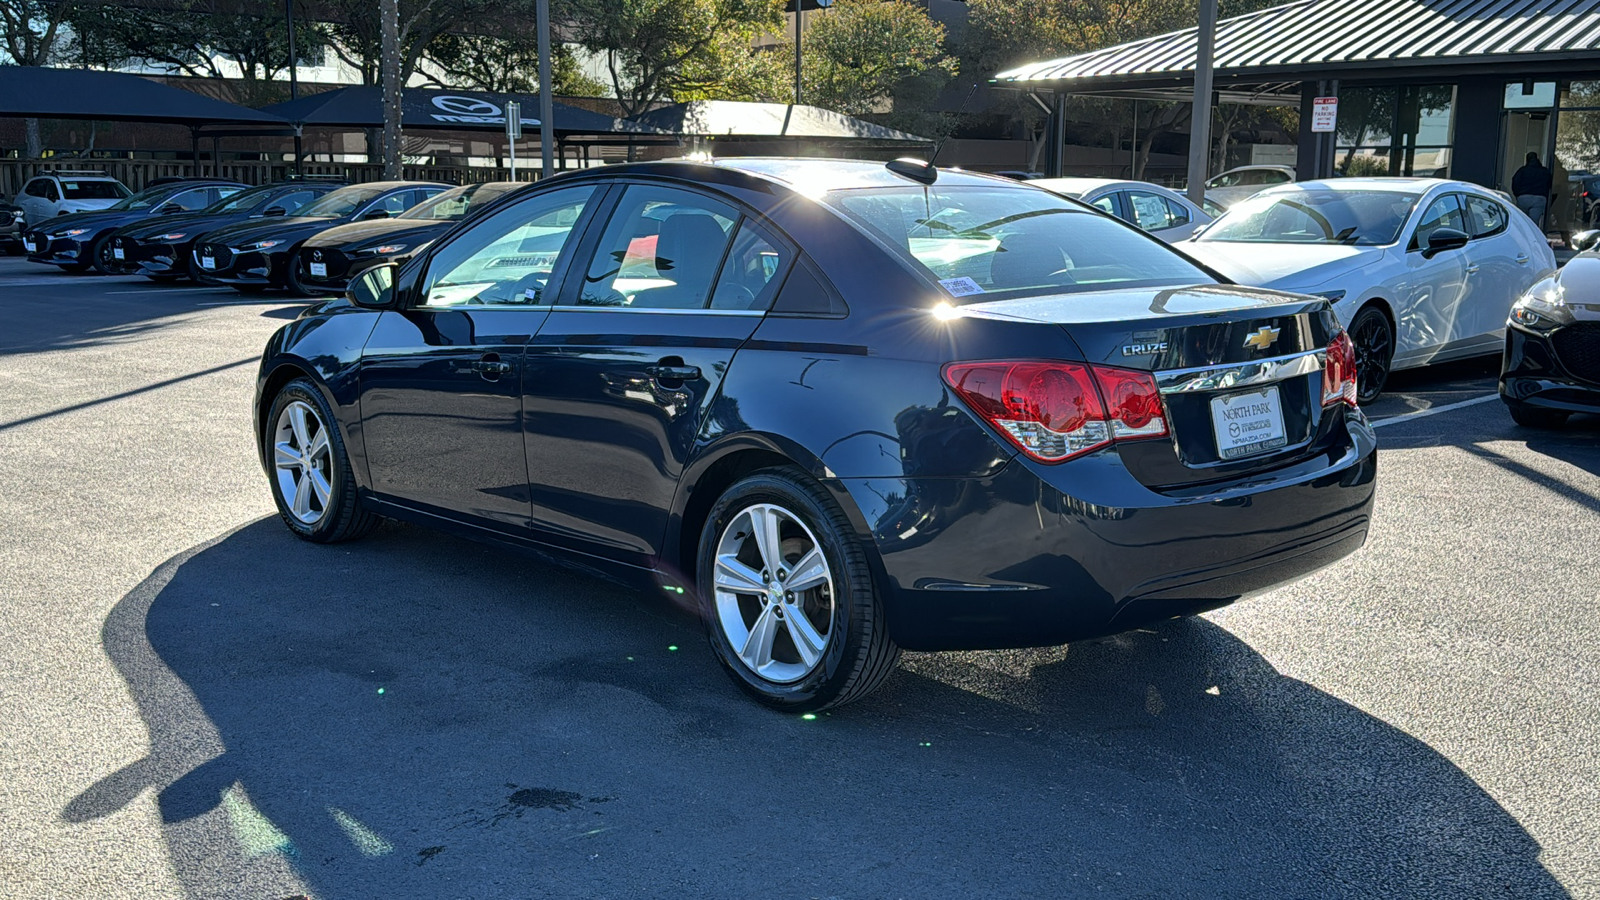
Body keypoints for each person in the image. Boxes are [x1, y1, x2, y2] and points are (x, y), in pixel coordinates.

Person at [1512, 152, 1552, 226]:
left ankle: (1522, 237)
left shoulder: (1522, 171)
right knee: (1533, 225)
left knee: (1521, 223)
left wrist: (1518, 194)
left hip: (1523, 197)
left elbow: (1515, 182)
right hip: (1539, 198)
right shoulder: (1544, 171)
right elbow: (1549, 184)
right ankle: (1532, 237)